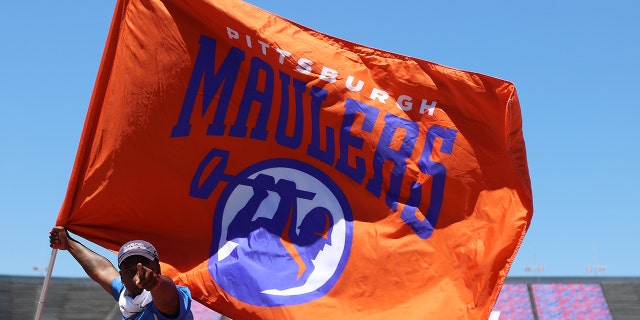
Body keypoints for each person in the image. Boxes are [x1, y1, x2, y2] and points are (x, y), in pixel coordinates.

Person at [49, 226, 193, 320]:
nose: (138, 275)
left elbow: (167, 296)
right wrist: (68, 243)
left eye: (143, 266)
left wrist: (156, 283)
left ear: (158, 269)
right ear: (122, 276)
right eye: (129, 270)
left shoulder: (172, 297)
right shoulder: (125, 294)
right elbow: (101, 269)